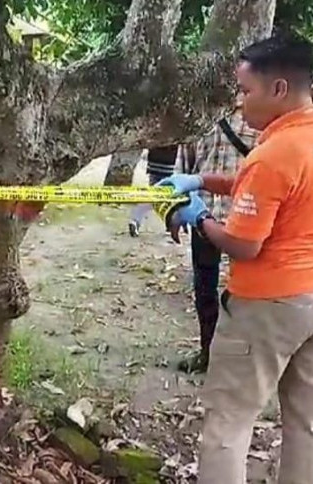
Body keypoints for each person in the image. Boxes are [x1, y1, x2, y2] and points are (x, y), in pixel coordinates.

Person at [161, 33, 313, 483]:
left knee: (228, 422)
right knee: (305, 421)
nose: (239, 103)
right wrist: (203, 180)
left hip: (265, 307)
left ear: (278, 89)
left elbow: (245, 245)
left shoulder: (275, 153)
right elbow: (277, 192)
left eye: (245, 91)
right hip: (309, 299)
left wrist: (199, 216)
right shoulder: (299, 140)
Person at [173, 107, 259, 374]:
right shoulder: (200, 114)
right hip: (204, 211)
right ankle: (208, 353)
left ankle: (245, 358)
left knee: (246, 294)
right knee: (204, 289)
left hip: (247, 217)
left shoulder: (260, 114)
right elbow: (183, 165)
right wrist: (175, 211)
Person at [128, 145, 179, 237]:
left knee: (160, 196)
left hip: (156, 161)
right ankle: (136, 219)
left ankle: (170, 224)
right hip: (168, 164)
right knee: (162, 197)